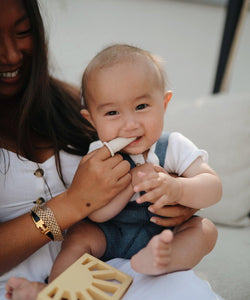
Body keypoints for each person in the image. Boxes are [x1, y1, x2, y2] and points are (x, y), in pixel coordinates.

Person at [0, 1, 205, 300]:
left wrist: (180, 197)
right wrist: (73, 204)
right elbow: (85, 206)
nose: (11, 54)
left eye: (23, 31)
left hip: (111, 271)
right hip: (16, 287)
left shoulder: (78, 106)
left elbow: (155, 158)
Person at [44, 44, 222, 283]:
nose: (130, 124)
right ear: (92, 120)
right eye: (112, 113)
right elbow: (96, 214)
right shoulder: (99, 155)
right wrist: (131, 182)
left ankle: (163, 260)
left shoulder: (173, 145)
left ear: (164, 103)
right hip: (110, 233)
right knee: (78, 236)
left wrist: (176, 188)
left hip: (164, 235)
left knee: (206, 230)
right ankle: (57, 288)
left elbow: (213, 188)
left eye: (141, 107)